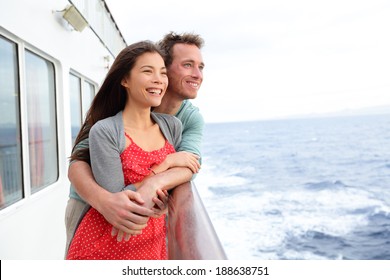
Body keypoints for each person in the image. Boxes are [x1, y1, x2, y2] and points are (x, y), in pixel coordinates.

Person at [65, 32, 205, 255]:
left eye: (200, 67)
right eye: (188, 65)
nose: (197, 74)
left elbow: (190, 165)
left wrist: (154, 184)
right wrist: (104, 201)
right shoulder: (112, 121)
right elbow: (79, 160)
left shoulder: (181, 122)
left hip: (146, 227)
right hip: (89, 207)